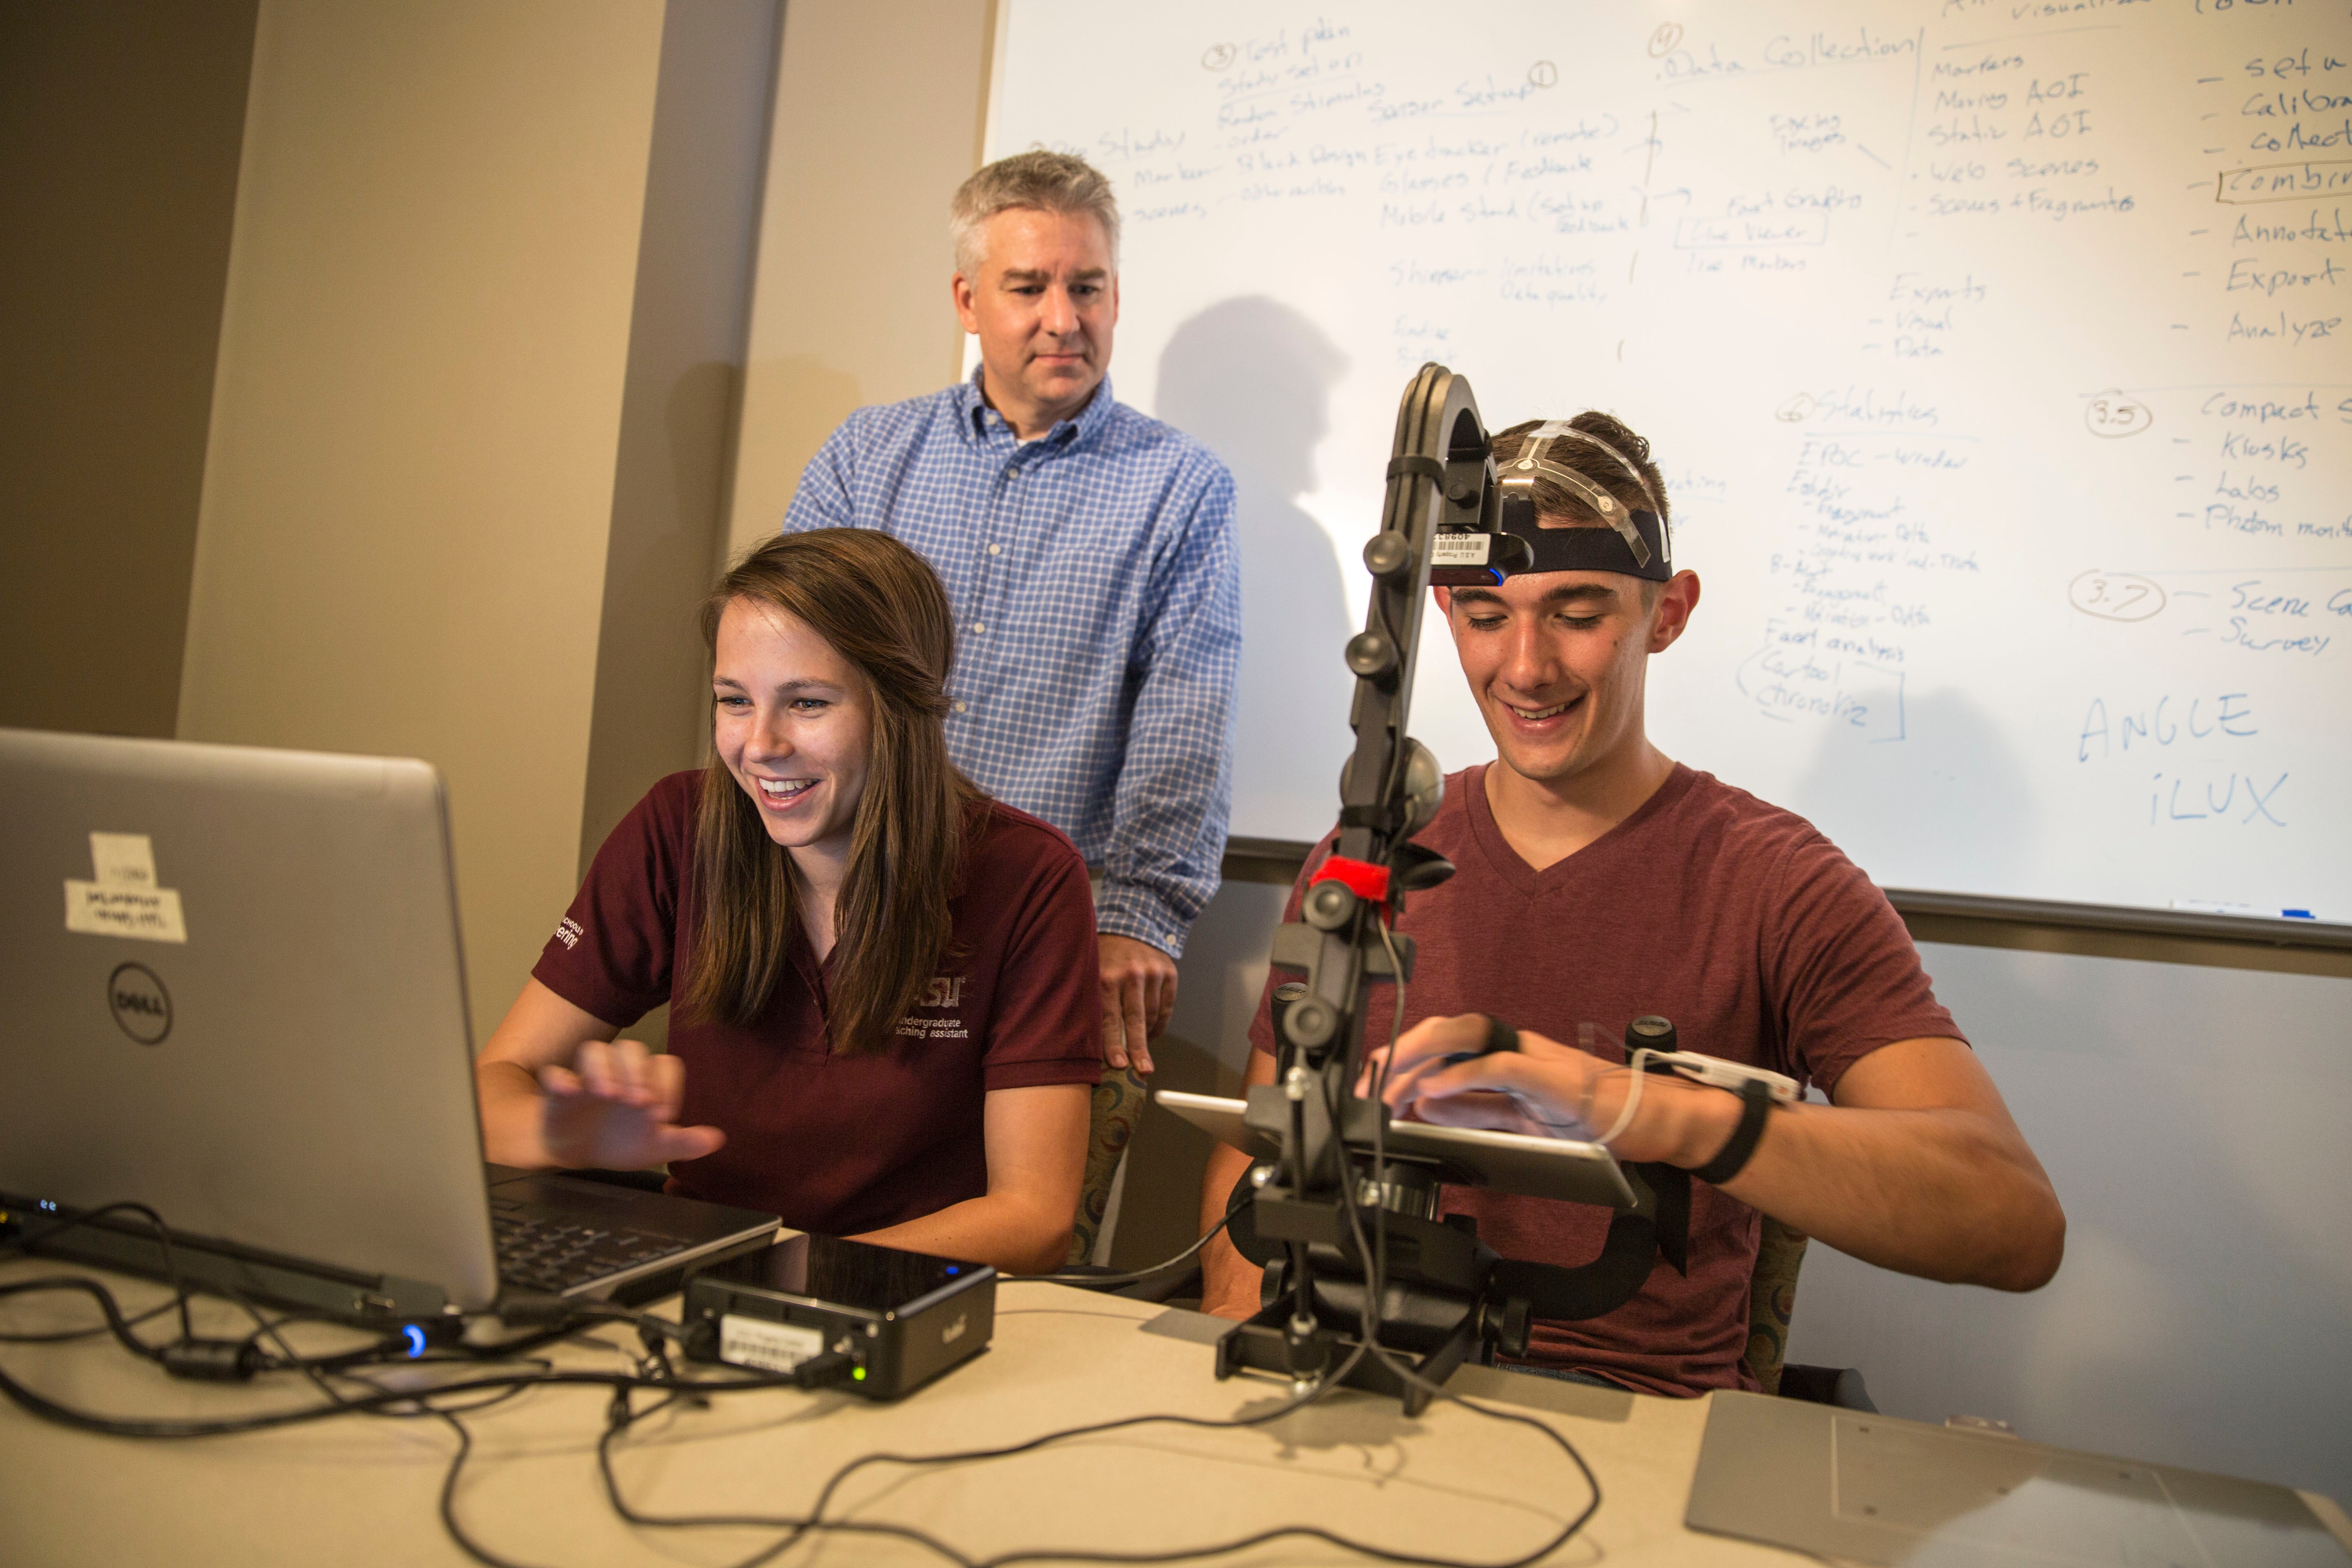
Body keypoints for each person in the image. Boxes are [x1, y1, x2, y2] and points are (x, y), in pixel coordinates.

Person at [1196, 414, 2065, 1394]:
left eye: (1577, 613)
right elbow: (1256, 1147)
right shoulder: (1363, 859)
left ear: (1669, 612)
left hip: (1634, 1424)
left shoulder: (1781, 886)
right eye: (1487, 617)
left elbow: (2012, 1221)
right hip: (1360, 1379)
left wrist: (1630, 1106)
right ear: (1440, 611)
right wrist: (1242, 1329)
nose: (1525, 667)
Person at [476, 530, 1099, 1273]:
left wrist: (777, 1279)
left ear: (901, 710)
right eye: (734, 701)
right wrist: (564, 1138)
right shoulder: (678, 826)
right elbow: (492, 1087)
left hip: (895, 1296)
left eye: (806, 703)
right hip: (698, 1283)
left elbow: (1033, 1219)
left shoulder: (1026, 876)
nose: (760, 744)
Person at [784, 149, 1241, 1076]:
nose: (1063, 320)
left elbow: (1184, 720)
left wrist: (1139, 920)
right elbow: (777, 678)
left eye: (1089, 287)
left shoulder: (1180, 488)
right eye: (1028, 287)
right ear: (967, 301)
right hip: (838, 916)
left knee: (1016, 1216)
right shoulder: (864, 458)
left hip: (1047, 942)